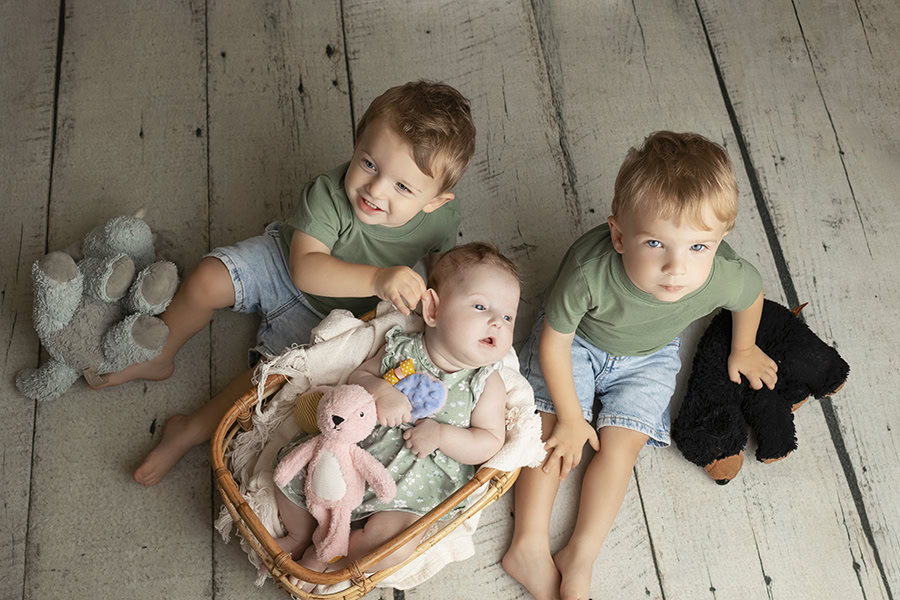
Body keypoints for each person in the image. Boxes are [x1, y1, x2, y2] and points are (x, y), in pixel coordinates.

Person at [108, 80, 477, 486]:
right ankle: (162, 349)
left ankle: (192, 429)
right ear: (357, 143)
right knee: (208, 278)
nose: (374, 189)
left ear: (434, 202)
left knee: (266, 385)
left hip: (337, 318)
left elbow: (444, 264)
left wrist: (440, 304)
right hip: (284, 265)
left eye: (402, 187)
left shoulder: (442, 218)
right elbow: (307, 268)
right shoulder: (329, 194)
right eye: (369, 163)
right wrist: (377, 277)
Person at [502, 131, 779, 600]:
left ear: (719, 241)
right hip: (578, 344)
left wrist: (744, 348)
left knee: (622, 448)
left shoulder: (719, 273)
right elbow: (554, 342)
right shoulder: (589, 271)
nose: (677, 268)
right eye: (655, 243)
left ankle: (580, 554)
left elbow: (751, 295)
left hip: (648, 356)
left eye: (698, 247)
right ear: (618, 234)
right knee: (550, 432)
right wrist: (571, 416)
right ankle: (527, 545)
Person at [273, 243, 520, 583]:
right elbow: (359, 376)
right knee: (290, 474)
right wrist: (382, 390)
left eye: (508, 316)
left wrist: (442, 435)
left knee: (397, 545)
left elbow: (490, 442)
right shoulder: (401, 349)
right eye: (480, 306)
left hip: (409, 493)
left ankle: (335, 558)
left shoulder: (484, 383)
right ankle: (301, 534)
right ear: (432, 309)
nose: (496, 321)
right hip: (352, 463)